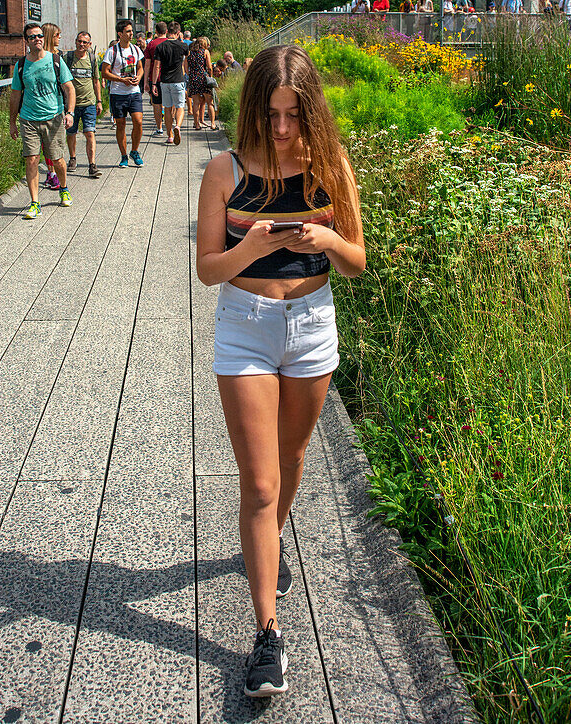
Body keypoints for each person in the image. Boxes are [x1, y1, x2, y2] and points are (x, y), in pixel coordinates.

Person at [196, 45, 365, 699]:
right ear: (254, 112)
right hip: (245, 329)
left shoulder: (330, 167)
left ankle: (268, 541)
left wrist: (325, 241)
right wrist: (252, 246)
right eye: (272, 115)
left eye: (294, 115)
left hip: (312, 328)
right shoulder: (225, 170)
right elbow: (209, 269)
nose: (284, 129)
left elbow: (356, 261)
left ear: (310, 111)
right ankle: (268, 634)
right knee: (260, 485)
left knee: (292, 460)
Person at [9, 22, 75, 219]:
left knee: (57, 160)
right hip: (28, 119)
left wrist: (69, 112)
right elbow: (15, 95)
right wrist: (12, 122)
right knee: (31, 160)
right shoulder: (21, 65)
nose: (37, 39)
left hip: (53, 117)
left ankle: (63, 188)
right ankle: (34, 202)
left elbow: (69, 88)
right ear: (26, 41)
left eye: (39, 36)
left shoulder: (55, 60)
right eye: (32, 37)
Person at [101, 19, 144, 168]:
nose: (131, 34)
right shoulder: (112, 51)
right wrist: (121, 79)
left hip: (134, 92)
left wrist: (138, 77)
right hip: (118, 93)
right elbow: (104, 73)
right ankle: (124, 155)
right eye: (128, 31)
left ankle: (135, 151)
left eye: (131, 31)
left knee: (138, 122)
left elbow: (140, 67)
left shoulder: (135, 49)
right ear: (120, 34)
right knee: (121, 124)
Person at [64, 31, 103, 178]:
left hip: (89, 103)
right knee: (71, 133)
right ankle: (73, 158)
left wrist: (99, 101)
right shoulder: (67, 58)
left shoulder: (92, 59)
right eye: (79, 41)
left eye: (84, 42)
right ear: (75, 41)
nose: (81, 44)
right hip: (71, 105)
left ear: (89, 45)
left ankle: (92, 165)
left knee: (89, 132)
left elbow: (96, 81)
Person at [151, 21, 190, 145]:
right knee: (180, 106)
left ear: (167, 32)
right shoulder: (183, 46)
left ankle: (170, 135)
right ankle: (177, 126)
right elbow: (186, 60)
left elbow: (157, 66)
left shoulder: (160, 47)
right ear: (178, 33)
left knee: (167, 108)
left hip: (165, 81)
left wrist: (153, 83)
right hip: (178, 80)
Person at [40, 22, 63, 189]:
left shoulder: (59, 56)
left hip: (57, 104)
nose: (60, 38)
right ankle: (51, 173)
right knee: (45, 142)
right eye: (57, 35)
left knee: (54, 142)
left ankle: (54, 173)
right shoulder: (38, 57)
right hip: (41, 104)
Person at [144, 22, 168, 136]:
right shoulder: (170, 43)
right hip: (169, 78)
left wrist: (145, 82)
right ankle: (170, 126)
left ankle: (159, 128)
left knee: (156, 104)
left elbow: (147, 64)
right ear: (166, 31)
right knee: (169, 104)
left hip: (155, 78)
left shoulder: (151, 44)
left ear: (156, 32)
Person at [187, 36, 215, 129]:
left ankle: (197, 124)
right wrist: (210, 76)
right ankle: (213, 124)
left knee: (196, 103)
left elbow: (185, 66)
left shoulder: (190, 53)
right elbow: (209, 66)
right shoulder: (205, 52)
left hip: (193, 78)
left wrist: (190, 75)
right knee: (209, 102)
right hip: (203, 77)